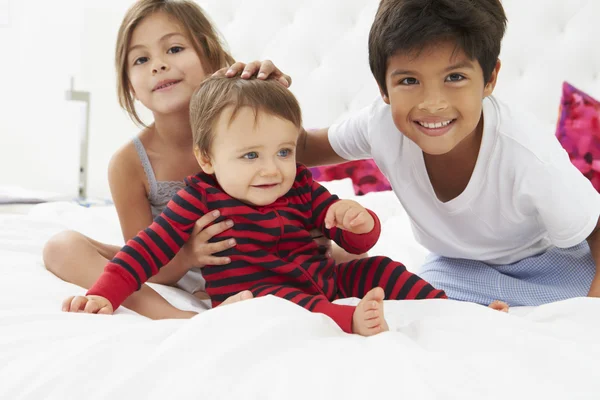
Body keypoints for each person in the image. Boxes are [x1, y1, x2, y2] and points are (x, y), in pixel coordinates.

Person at [63, 76, 450, 336]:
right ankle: (350, 321)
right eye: (250, 156)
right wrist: (104, 293)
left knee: (381, 267)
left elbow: (350, 241)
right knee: (285, 303)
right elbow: (145, 250)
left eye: (283, 151)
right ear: (208, 159)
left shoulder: (299, 184)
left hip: (327, 277)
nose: (271, 169)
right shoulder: (199, 199)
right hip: (260, 291)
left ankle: (453, 308)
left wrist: (356, 221)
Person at [290, 0, 600, 307]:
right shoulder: (380, 124)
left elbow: (596, 230)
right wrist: (258, 95)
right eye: (409, 80)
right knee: (420, 319)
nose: (432, 103)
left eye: (455, 77)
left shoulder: (529, 154)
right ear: (383, 88)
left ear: (490, 78)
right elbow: (300, 148)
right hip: (456, 267)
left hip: (550, 263)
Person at [45, 0, 296, 319]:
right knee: (61, 246)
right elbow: (145, 265)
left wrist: (278, 101)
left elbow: (328, 145)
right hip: (172, 268)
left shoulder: (254, 127)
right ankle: (177, 317)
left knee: (343, 253)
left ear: (210, 55)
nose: (158, 65)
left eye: (174, 49)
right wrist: (188, 255)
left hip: (261, 261)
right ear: (130, 85)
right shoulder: (130, 163)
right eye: (141, 58)